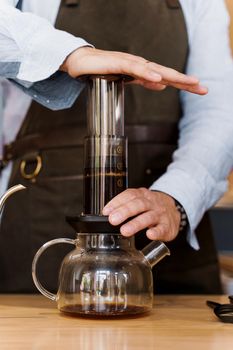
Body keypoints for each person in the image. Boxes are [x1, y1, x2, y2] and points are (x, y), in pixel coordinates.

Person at [0, 0, 232, 294]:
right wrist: (70, 54)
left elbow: (217, 111)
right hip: (40, 223)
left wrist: (177, 196)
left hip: (166, 242)